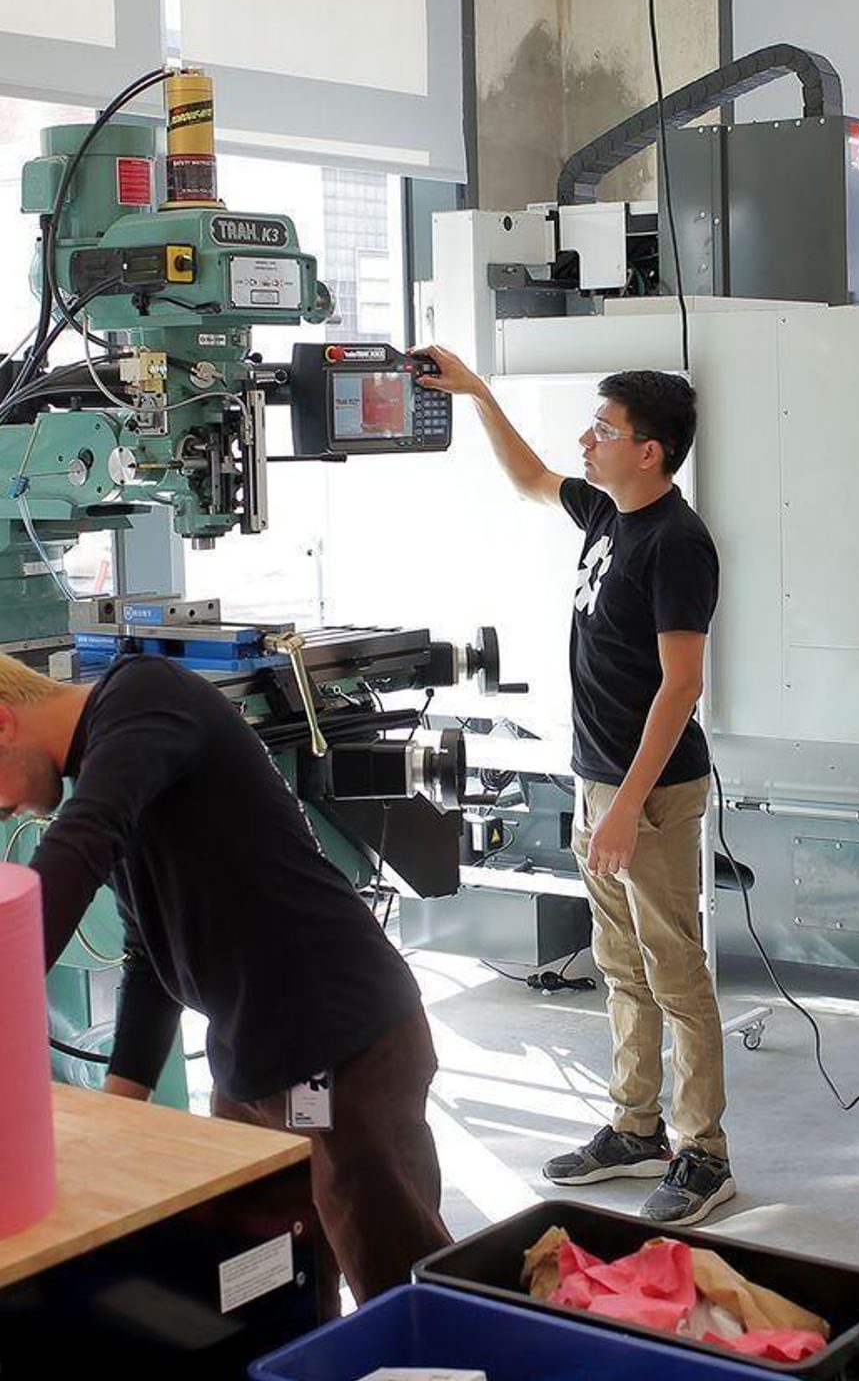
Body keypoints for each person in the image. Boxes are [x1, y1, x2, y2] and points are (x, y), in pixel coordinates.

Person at [5, 651, 450, 1313]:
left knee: (404, 1296)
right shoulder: (114, 762)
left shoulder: (142, 694)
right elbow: (150, 957)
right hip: (251, 1066)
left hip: (343, 1045)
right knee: (268, 1296)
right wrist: (120, 1107)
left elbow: (85, 838)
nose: (2, 806)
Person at [415, 348, 733, 1226]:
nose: (588, 440)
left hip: (653, 792)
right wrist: (477, 394)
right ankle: (636, 1128)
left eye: (605, 430)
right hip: (601, 780)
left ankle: (703, 1151)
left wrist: (627, 807)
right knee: (620, 966)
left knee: (674, 970)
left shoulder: (678, 544)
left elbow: (681, 687)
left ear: (653, 452)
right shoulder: (608, 514)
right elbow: (528, 478)